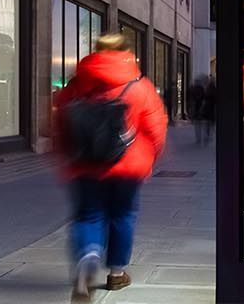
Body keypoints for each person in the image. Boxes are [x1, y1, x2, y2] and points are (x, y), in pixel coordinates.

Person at [49, 30, 167, 297]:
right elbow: (156, 128)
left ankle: (87, 256)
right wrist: (150, 157)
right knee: (123, 216)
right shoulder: (139, 86)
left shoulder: (76, 85)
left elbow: (59, 125)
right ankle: (116, 273)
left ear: (96, 51)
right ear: (126, 53)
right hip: (128, 166)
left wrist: (65, 158)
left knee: (88, 215)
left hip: (85, 164)